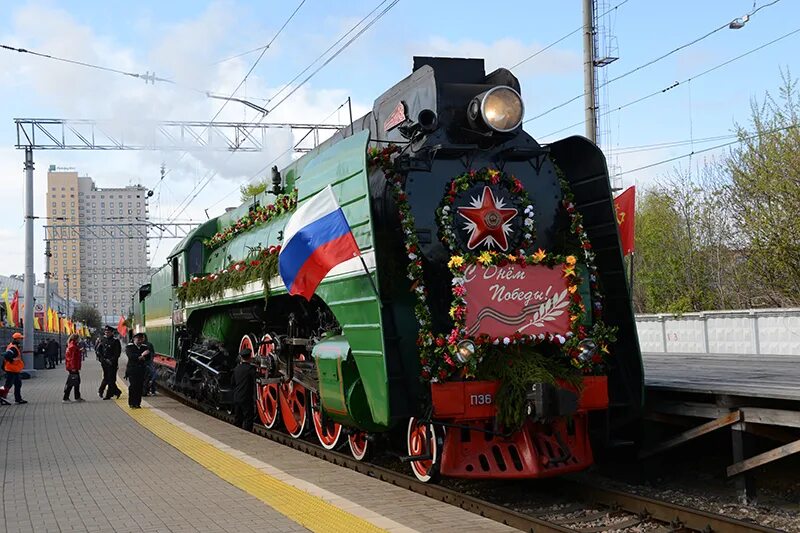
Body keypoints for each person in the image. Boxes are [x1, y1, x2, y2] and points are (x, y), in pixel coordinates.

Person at [231, 348, 256, 431]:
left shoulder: (236, 369)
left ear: (241, 358)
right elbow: (256, 379)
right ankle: (246, 434)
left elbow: (232, 383)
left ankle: (237, 434)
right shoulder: (251, 369)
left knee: (238, 418)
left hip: (237, 397)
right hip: (246, 398)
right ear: (250, 357)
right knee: (248, 418)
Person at [125, 332, 151, 408]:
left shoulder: (144, 347)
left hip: (141, 370)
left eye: (141, 339)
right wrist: (142, 356)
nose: (140, 341)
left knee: (140, 387)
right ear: (134, 339)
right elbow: (131, 356)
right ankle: (131, 403)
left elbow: (148, 357)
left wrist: (142, 357)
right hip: (132, 370)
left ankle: (137, 403)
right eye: (138, 339)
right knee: (133, 386)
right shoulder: (129, 347)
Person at [97, 326, 122, 400]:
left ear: (112, 333)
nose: (106, 333)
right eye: (106, 332)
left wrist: (111, 360)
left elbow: (117, 353)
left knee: (111, 379)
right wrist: (101, 359)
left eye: (108, 332)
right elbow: (99, 350)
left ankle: (105, 393)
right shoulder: (103, 340)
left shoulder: (115, 341)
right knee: (107, 378)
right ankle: (116, 392)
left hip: (112, 364)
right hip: (104, 363)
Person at [2, 332, 27, 404]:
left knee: (17, 384)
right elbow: (7, 355)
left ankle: (18, 399)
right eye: (20, 339)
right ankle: (3, 397)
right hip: (11, 369)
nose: (21, 340)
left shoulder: (13, 346)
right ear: (17, 339)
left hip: (14, 369)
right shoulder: (13, 348)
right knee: (8, 384)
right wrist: (12, 361)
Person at [63, 334, 85, 403]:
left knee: (76, 382)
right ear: (76, 339)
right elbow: (72, 358)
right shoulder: (72, 346)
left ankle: (77, 397)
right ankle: (66, 398)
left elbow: (73, 355)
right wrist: (73, 368)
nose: (79, 339)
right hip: (73, 367)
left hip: (73, 366)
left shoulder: (72, 345)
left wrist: (80, 351)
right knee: (72, 382)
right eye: (79, 338)